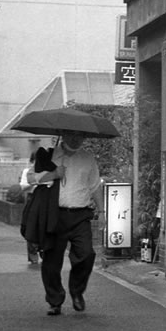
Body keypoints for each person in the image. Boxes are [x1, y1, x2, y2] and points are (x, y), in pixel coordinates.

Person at [27, 132, 102, 316]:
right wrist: (53, 173)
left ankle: (77, 291)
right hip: (54, 215)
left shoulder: (88, 158)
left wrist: (102, 211)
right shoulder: (49, 155)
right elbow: (31, 178)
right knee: (52, 261)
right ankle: (55, 300)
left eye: (80, 137)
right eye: (72, 136)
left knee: (86, 254)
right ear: (64, 136)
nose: (76, 139)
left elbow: (94, 186)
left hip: (80, 215)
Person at [18, 149, 55, 265]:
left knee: (45, 226)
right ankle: (33, 254)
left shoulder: (52, 170)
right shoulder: (29, 171)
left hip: (48, 202)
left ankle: (45, 251)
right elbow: (25, 184)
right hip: (32, 200)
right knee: (32, 226)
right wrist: (40, 182)